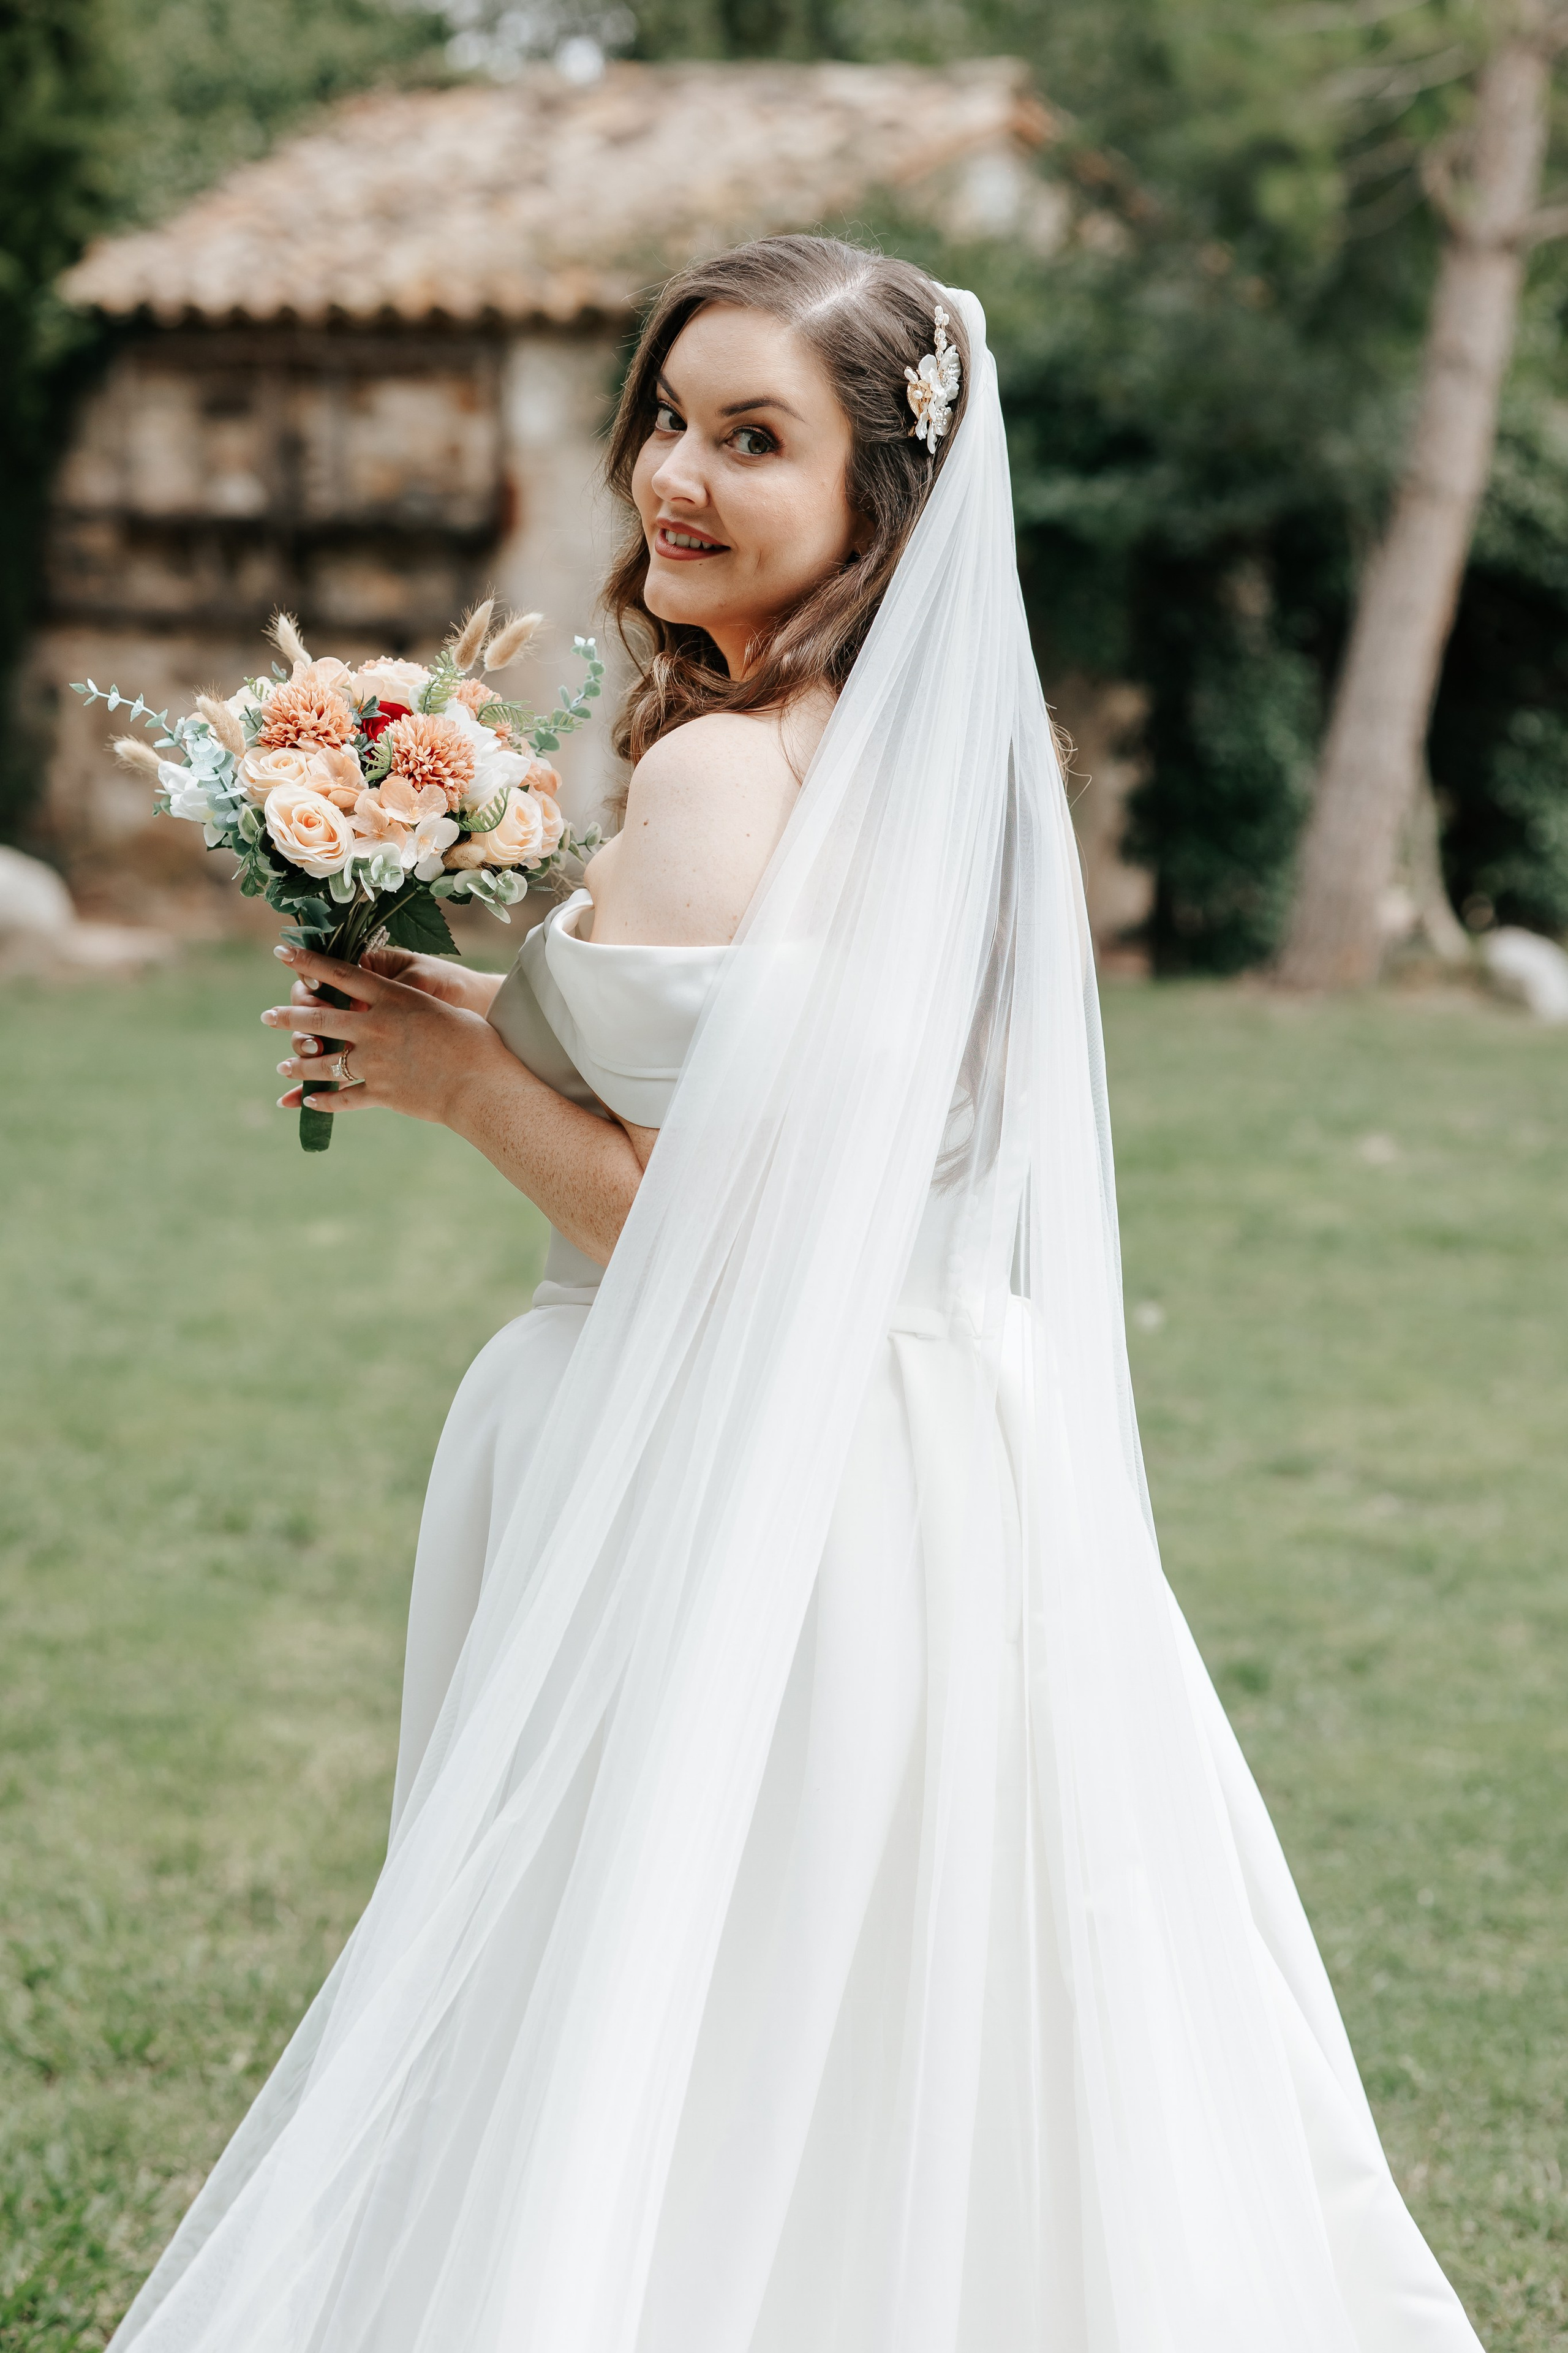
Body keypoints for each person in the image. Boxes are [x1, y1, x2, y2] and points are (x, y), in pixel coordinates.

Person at [110, 236, 1483, 2353]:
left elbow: (726, 1235)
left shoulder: (714, 774)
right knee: (931, 1997)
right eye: (671, 415)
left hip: (724, 1465)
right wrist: (486, 999)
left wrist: (456, 1077)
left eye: (757, 438)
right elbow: (827, 1114)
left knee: (658, 2001)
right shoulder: (952, 764)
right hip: (947, 1456)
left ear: (885, 498)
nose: (679, 473)